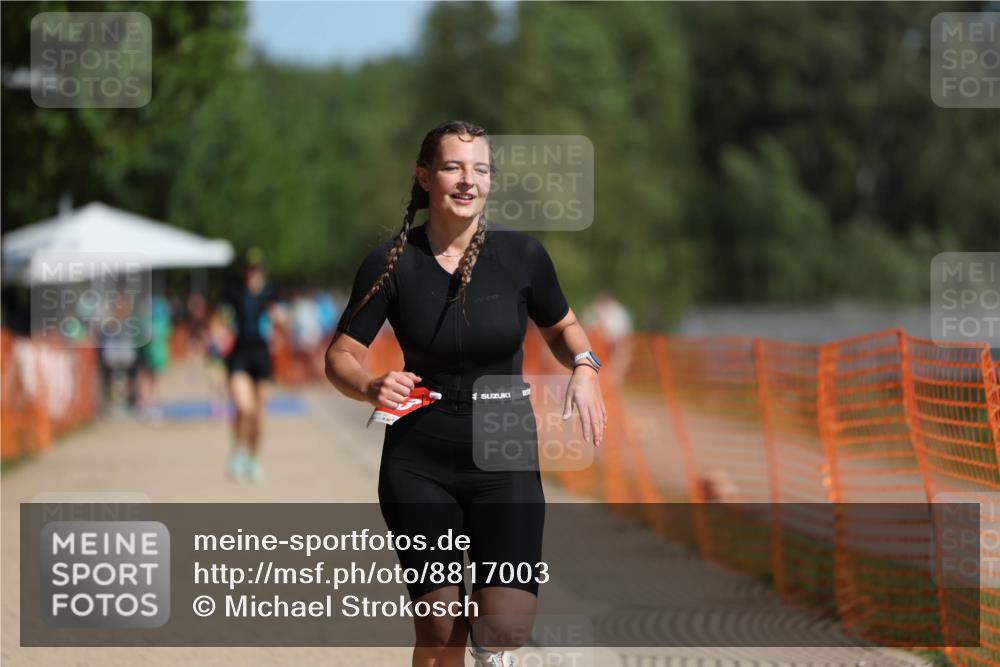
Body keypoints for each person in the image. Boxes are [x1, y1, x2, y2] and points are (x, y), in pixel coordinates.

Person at [325, 120, 608, 667]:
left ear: (491, 181)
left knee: (503, 626)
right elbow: (340, 356)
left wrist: (585, 365)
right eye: (453, 167)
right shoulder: (390, 263)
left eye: (479, 169)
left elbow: (563, 328)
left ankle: (491, 652)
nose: (466, 180)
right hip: (420, 452)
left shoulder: (522, 256)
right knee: (438, 629)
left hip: (504, 444)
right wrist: (369, 384)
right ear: (424, 176)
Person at [221, 248, 282, 483]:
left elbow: (280, 319)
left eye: (255, 269)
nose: (251, 273)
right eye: (248, 269)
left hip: (262, 355)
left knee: (258, 414)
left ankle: (254, 459)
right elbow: (220, 318)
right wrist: (219, 331)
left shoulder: (270, 292)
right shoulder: (232, 290)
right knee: (244, 408)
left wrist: (280, 329)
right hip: (238, 354)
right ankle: (238, 451)